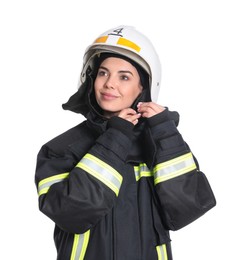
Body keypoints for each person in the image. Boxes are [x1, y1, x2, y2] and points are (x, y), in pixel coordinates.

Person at [35, 25, 216, 260]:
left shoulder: (162, 143)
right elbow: (71, 214)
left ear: (144, 87)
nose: (110, 83)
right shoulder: (61, 149)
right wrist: (116, 137)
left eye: (124, 76)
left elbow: (187, 209)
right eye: (103, 73)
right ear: (91, 78)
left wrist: (164, 132)